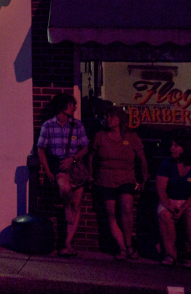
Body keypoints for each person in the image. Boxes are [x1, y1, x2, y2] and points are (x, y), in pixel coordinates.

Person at [90, 106, 146, 261]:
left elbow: (142, 159)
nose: (108, 119)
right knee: (111, 213)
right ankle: (122, 248)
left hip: (126, 177)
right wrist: (90, 176)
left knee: (126, 209)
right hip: (105, 178)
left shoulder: (131, 137)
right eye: (107, 116)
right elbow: (91, 157)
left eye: (111, 116)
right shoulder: (100, 136)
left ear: (119, 119)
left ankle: (129, 244)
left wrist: (143, 179)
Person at [36, 92, 88, 257]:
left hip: (75, 166)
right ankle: (66, 207)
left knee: (77, 205)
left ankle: (67, 244)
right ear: (63, 107)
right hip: (58, 166)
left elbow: (85, 147)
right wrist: (47, 170)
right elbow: (40, 149)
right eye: (72, 105)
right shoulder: (48, 125)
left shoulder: (78, 125)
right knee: (65, 189)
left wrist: (73, 158)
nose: (74, 107)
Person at [157, 136, 191, 266]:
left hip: (188, 202)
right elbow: (161, 189)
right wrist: (170, 207)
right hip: (170, 200)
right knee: (165, 216)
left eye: (176, 146)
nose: (172, 148)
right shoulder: (167, 163)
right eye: (171, 145)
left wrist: (183, 208)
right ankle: (170, 254)